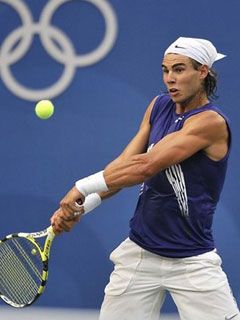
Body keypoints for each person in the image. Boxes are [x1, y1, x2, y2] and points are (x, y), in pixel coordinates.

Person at [51, 37, 240, 320]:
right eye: (165, 70)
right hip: (140, 254)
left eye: (179, 70)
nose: (169, 79)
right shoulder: (158, 106)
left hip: (192, 261)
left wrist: (80, 187)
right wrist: (84, 204)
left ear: (202, 72)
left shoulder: (210, 122)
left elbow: (144, 166)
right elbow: (124, 164)